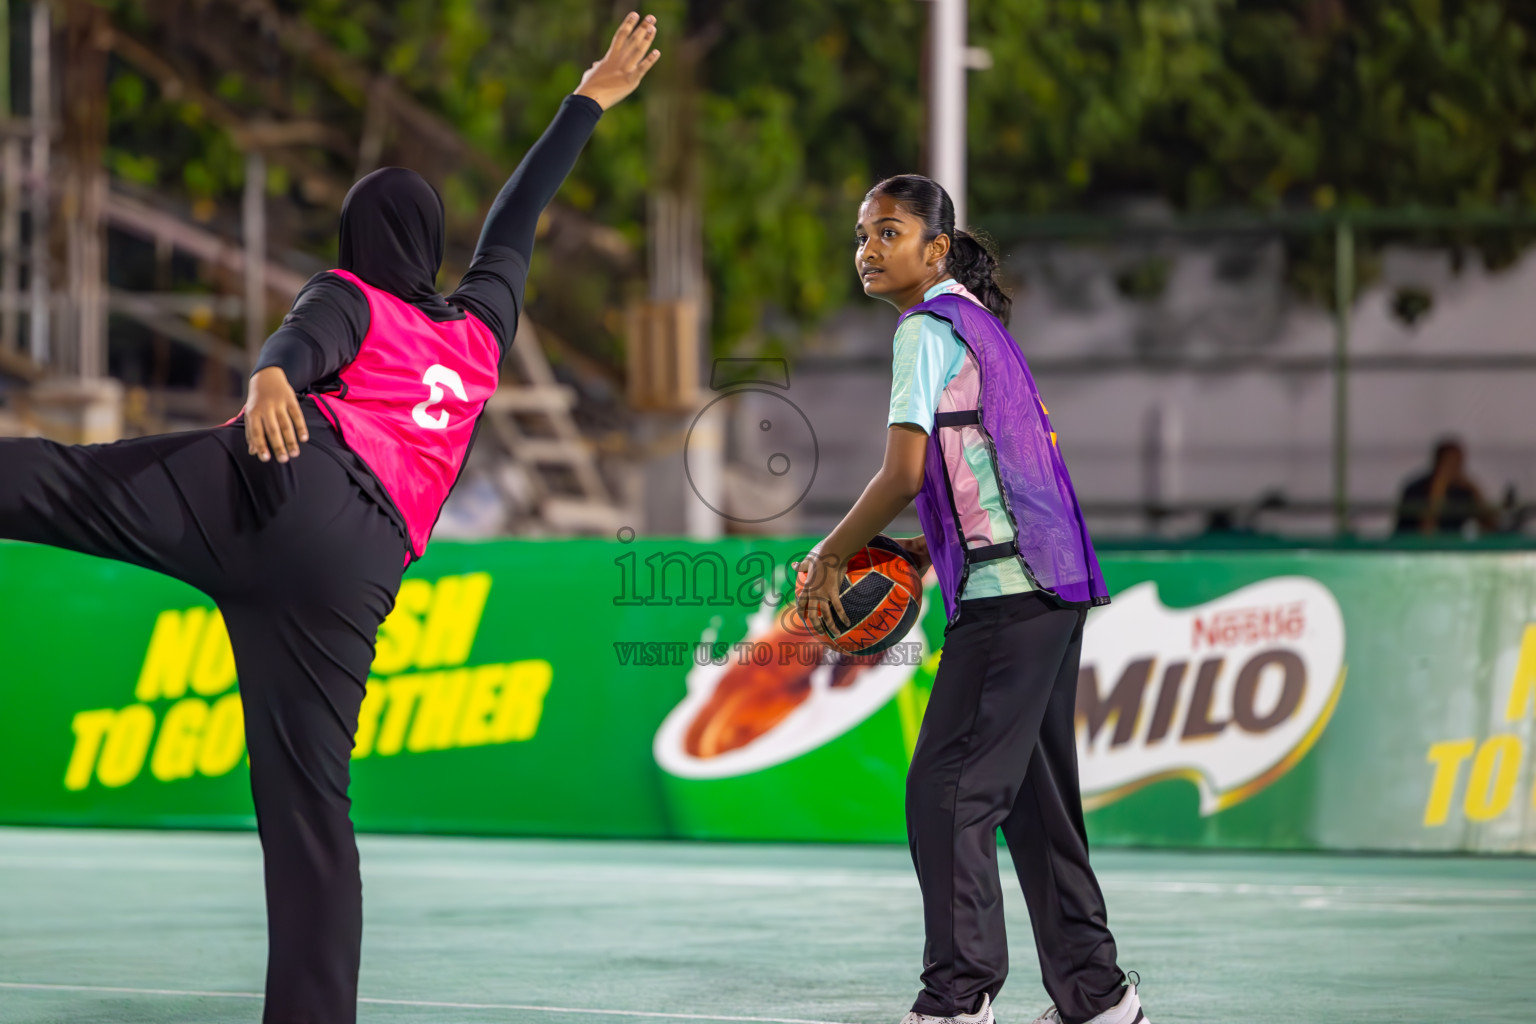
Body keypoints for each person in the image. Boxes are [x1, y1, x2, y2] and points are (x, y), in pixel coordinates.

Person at [0, 14, 659, 1023]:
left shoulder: (353, 293)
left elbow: (309, 334)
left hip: (281, 477)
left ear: (358, 241)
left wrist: (270, 374)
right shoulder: (481, 330)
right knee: (312, 809)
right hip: (361, 569)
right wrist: (586, 103)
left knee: (64, 486)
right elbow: (514, 224)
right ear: (429, 246)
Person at [795, 175, 1146, 1024]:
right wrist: (927, 546)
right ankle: (1099, 1000)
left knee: (945, 794)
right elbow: (994, 469)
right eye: (862, 235)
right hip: (1055, 585)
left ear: (936, 249)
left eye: (889, 232)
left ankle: (956, 999)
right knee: (1036, 808)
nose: (869, 249)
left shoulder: (925, 329)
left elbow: (905, 472)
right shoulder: (979, 325)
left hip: (1010, 595)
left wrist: (829, 553)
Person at [1393, 437, 1499, 537]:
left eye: (1457, 463)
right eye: (1448, 462)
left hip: (1454, 548)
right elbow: (1426, 532)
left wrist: (1474, 489)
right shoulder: (1415, 489)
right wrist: (1438, 489)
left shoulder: (1462, 491)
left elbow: (1491, 529)